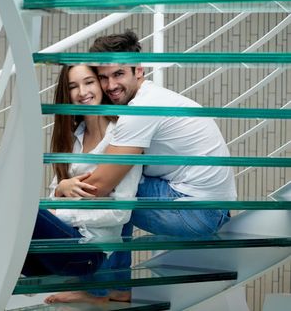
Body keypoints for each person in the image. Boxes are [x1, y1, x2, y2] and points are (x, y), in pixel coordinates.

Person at [0, 65, 142, 305]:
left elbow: (121, 212)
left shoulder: (123, 136)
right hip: (52, 248)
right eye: (73, 86)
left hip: (86, 252)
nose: (82, 92)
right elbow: (53, 199)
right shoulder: (72, 137)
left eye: (88, 82)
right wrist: (59, 190)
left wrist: (58, 212)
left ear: (100, 84)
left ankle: (5, 261)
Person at [56, 30, 236, 238]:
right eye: (103, 78)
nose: (111, 86)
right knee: (116, 179)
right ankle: (114, 263)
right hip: (211, 207)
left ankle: (106, 262)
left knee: (116, 191)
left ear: (139, 70)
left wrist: (61, 193)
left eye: (118, 74)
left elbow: (98, 187)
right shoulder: (152, 97)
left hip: (196, 212)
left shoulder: (141, 110)